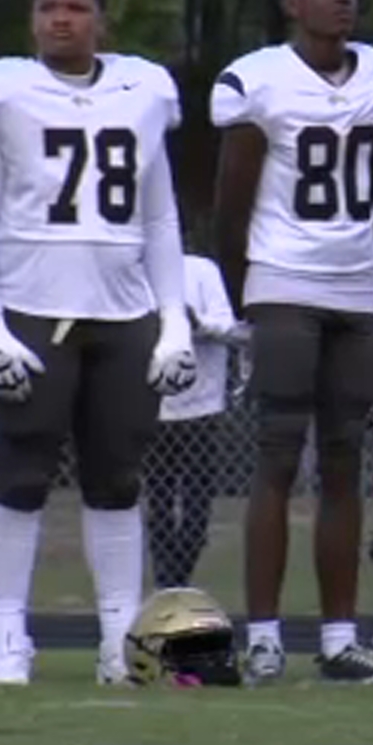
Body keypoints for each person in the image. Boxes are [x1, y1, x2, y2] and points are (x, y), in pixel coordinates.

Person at [0, 0, 196, 685]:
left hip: (123, 310)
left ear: (102, 20)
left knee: (117, 478)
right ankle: (6, 636)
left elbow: (160, 216)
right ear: (31, 21)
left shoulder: (144, 90)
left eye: (77, 7)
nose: (62, 19)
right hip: (32, 307)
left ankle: (121, 639)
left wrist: (174, 319)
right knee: (21, 472)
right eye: (49, 8)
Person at [211, 0, 373, 682]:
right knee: (274, 457)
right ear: (291, 4)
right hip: (283, 284)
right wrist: (243, 295)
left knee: (345, 461)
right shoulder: (257, 80)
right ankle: (264, 635)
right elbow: (230, 204)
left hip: (355, 288)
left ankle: (338, 638)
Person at [143, 250, 239, 589]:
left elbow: (228, 325)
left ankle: (175, 582)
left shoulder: (202, 270)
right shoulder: (140, 268)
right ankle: (166, 586)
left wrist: (197, 322)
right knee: (159, 507)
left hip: (202, 409)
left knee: (197, 515)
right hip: (155, 409)